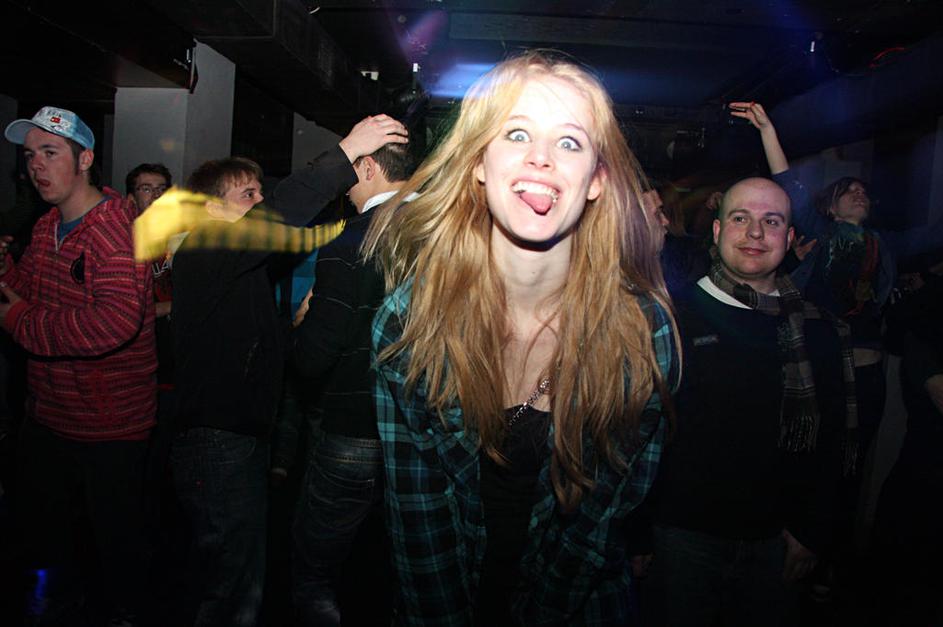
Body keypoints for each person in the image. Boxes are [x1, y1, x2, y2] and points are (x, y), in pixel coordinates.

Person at [363, 51, 678, 625]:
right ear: (479, 163)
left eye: (570, 142)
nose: (541, 157)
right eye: (516, 133)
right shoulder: (409, 322)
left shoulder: (640, 332)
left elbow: (596, 526)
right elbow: (417, 519)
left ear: (596, 181)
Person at [169, 115, 407, 627]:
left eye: (260, 192)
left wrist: (295, 326)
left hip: (236, 435)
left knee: (238, 569)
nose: (260, 202)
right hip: (216, 438)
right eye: (248, 195)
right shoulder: (207, 246)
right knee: (228, 580)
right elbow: (280, 215)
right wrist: (346, 153)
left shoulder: (235, 262)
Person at [641, 177, 850, 627]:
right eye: (741, 218)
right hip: (681, 540)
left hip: (777, 544)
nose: (755, 232)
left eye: (771, 222)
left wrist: (812, 531)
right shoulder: (671, 316)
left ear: (789, 239)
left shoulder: (816, 329)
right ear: (717, 232)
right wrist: (638, 536)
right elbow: (638, 433)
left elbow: (833, 440)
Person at [2, 106, 156, 623]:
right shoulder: (48, 225)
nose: (36, 166)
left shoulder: (114, 232)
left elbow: (114, 323)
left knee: (116, 544)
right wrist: (5, 268)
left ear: (85, 159)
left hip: (108, 424)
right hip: (50, 414)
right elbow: (27, 292)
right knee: (49, 535)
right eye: (30, 155)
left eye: (50, 153)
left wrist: (20, 322)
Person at [290, 136, 415, 626]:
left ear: (367, 167)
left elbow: (314, 358)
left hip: (355, 425)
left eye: (348, 173)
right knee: (408, 556)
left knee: (317, 562)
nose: (344, 188)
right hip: (425, 431)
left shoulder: (352, 241)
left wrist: (302, 323)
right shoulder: (450, 233)